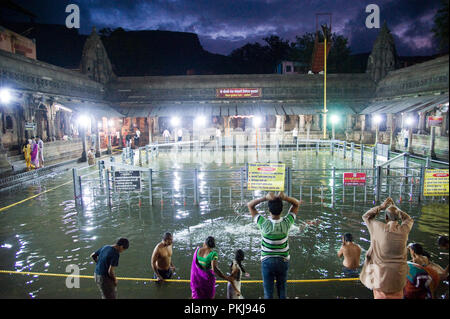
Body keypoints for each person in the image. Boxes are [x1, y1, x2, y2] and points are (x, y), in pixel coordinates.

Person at [247, 191, 300, 299]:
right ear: (282, 209)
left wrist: (265, 198)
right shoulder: (286, 223)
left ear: (269, 210)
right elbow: (296, 204)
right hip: (283, 261)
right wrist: (285, 197)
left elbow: (250, 205)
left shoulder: (264, 223)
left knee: (268, 294)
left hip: (267, 261)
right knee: (282, 292)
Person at [359, 197, 414, 299]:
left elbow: (366, 216)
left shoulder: (377, 227)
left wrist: (382, 206)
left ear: (386, 218)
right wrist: (396, 209)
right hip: (399, 275)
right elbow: (409, 219)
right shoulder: (404, 230)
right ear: (398, 218)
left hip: (380, 276)